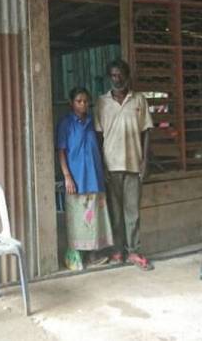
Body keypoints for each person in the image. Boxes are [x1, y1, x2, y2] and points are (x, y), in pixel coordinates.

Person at [94, 59, 154, 271]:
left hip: (133, 165)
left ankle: (134, 251)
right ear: (109, 77)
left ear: (127, 76)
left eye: (120, 75)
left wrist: (145, 161)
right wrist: (102, 166)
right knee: (115, 213)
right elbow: (98, 137)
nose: (116, 79)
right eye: (113, 75)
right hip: (111, 165)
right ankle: (118, 250)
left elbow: (147, 131)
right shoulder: (101, 102)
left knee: (132, 212)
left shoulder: (139, 100)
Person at [56, 87, 113, 271]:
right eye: (79, 101)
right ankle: (76, 255)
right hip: (76, 179)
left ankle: (93, 254)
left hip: (94, 177)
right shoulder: (66, 124)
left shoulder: (91, 122)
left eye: (86, 101)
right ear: (71, 103)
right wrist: (67, 177)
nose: (83, 104)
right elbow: (61, 151)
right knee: (78, 219)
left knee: (94, 218)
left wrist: (103, 171)